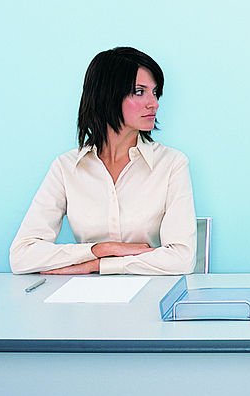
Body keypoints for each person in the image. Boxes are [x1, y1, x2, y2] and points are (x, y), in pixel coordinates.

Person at [10, 47, 196, 275]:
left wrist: (98, 265)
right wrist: (102, 249)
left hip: (148, 296)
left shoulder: (172, 164)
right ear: (106, 95)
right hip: (82, 300)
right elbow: (21, 256)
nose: (154, 103)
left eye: (155, 92)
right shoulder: (66, 167)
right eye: (139, 92)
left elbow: (182, 259)